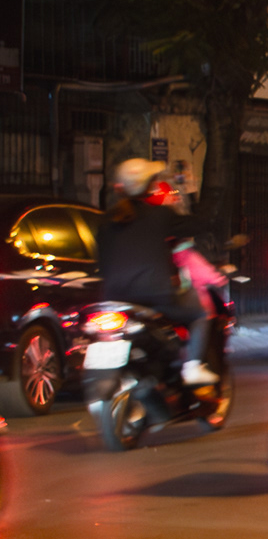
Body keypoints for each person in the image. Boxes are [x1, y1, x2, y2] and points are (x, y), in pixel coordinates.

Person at [96, 159, 218, 385]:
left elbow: (102, 264)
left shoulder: (105, 220)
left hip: (113, 299)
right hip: (155, 297)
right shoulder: (160, 215)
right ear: (149, 186)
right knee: (200, 314)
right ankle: (192, 367)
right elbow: (195, 225)